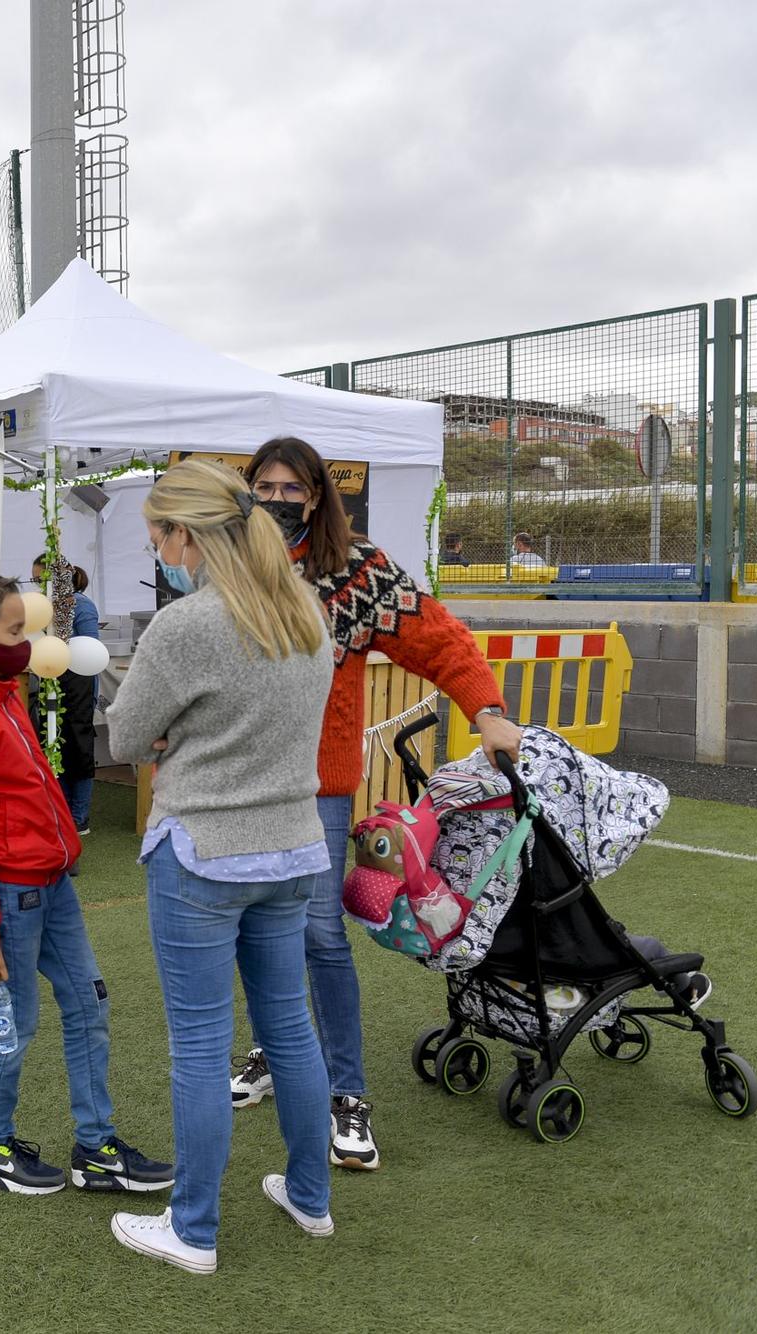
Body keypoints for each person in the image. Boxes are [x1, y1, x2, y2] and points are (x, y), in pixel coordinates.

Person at [236, 435, 519, 1172]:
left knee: (321, 935)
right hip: (241, 784)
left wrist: (487, 709)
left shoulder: (356, 572)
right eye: (263, 487)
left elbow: (442, 641)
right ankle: (273, 1050)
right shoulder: (230, 567)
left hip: (318, 785)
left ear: (320, 494)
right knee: (257, 925)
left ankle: (347, 1095)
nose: (276, 501)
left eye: (291, 489)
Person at [101, 459, 337, 1274]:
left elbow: (127, 736)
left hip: (203, 853)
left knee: (200, 1044)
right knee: (290, 1029)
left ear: (187, 536)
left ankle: (193, 1227)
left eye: (158, 537)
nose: (158, 552)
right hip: (293, 848)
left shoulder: (187, 626)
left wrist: (170, 733)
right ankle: (311, 1194)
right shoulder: (306, 611)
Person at [0, 569, 171, 1197]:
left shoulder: (4, 692)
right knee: (15, 1024)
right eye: (16, 630)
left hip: (48, 885)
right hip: (13, 897)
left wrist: (62, 849)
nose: (28, 642)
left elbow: (34, 783)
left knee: (89, 1004)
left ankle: (96, 1148)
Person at [31, 555, 101, 834]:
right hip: (51, 681)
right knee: (53, 746)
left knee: (78, 750)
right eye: (34, 580)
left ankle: (78, 816)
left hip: (77, 684)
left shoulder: (81, 606)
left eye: (40, 579)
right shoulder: (42, 607)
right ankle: (59, 810)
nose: (36, 585)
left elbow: (90, 649)